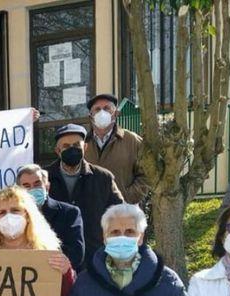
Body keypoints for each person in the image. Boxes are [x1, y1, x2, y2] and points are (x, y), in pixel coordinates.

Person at [47, 123, 124, 261]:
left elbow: (119, 213)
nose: (72, 149)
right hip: (53, 258)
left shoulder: (103, 178)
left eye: (77, 145)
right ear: (58, 151)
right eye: (65, 146)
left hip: (95, 257)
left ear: (85, 147)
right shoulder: (44, 178)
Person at [84, 94, 149, 205]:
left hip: (125, 213)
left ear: (115, 114)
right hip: (91, 214)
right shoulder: (82, 143)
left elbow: (146, 175)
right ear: (91, 116)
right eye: (97, 109)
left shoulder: (132, 140)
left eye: (107, 108)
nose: (102, 113)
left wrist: (126, 198)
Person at [16, 163, 84, 269]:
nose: (32, 189)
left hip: (56, 277)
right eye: (26, 186)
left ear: (47, 186)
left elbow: (76, 254)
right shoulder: (14, 217)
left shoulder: (69, 213)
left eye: (37, 184)